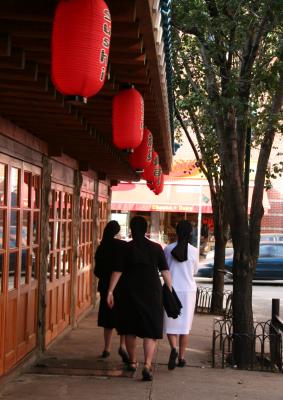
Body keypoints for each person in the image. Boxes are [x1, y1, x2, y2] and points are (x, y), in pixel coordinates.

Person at [107, 216, 172, 381]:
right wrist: (170, 290)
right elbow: (165, 271)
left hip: (129, 291)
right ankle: (148, 365)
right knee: (150, 330)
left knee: (130, 328)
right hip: (151, 291)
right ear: (146, 230)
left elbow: (117, 271)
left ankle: (133, 362)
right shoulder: (156, 248)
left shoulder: (125, 248)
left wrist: (110, 291)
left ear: (131, 229)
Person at [163, 220, 199, 370]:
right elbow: (195, 271)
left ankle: (173, 349)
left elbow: (164, 269)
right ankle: (182, 358)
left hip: (171, 290)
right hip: (188, 291)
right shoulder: (194, 251)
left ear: (176, 232)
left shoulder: (168, 249)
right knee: (185, 327)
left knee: (171, 324)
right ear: (190, 233)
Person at [94, 220, 129, 364]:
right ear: (117, 231)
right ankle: (122, 345)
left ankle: (106, 348)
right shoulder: (122, 246)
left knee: (107, 319)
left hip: (104, 287)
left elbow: (96, 271)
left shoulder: (101, 247)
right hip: (121, 286)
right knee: (123, 317)